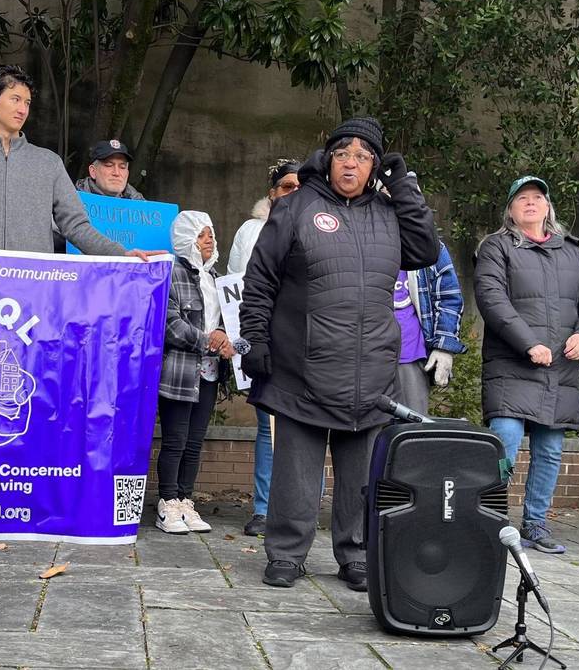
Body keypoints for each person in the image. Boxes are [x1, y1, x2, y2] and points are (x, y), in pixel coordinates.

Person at [239, 117, 440, 590]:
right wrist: (256, 340)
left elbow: (425, 249)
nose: (352, 163)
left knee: (362, 476)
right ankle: (287, 553)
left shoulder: (390, 214)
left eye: (364, 156)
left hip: (370, 367)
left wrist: (403, 187)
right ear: (328, 159)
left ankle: (356, 554)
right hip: (301, 366)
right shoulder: (296, 207)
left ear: (375, 168)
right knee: (296, 470)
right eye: (344, 154)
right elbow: (260, 280)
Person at [474, 175, 579, 555]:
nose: (531, 203)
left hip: (560, 369)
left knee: (549, 451)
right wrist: (528, 343)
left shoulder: (572, 251)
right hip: (511, 365)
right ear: (511, 210)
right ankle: (490, 520)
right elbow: (492, 299)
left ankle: (535, 524)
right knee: (504, 444)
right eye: (522, 198)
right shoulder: (496, 248)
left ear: (548, 208)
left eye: (538, 198)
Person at [0, 65, 152, 259]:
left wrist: (122, 254)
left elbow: (76, 226)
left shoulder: (49, 163)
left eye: (28, 102)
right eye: (15, 99)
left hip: (33, 287)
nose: (23, 109)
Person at [227, 157, 300, 537]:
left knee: (306, 431)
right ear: (272, 192)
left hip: (306, 347)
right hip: (266, 345)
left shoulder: (320, 227)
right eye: (286, 186)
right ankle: (262, 509)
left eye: (299, 187)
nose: (293, 193)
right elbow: (238, 289)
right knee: (268, 430)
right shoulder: (252, 231)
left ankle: (298, 511)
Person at [156, 211, 233, 534]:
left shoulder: (216, 277)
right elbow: (170, 324)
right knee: (175, 439)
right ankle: (167, 503)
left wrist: (228, 341)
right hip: (179, 371)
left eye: (211, 234)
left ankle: (186, 500)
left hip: (210, 372)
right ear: (186, 239)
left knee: (195, 441)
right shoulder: (171, 273)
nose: (209, 240)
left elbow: (228, 322)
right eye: (202, 235)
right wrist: (209, 340)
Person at [392, 240, 467, 414]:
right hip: (360, 357)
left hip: (410, 356)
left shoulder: (426, 243)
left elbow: (449, 298)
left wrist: (443, 346)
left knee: (410, 434)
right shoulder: (351, 237)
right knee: (361, 437)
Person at [75, 139, 145, 200]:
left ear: (127, 174)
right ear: (93, 171)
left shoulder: (142, 208)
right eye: (109, 165)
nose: (116, 173)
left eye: (122, 167)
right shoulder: (71, 202)